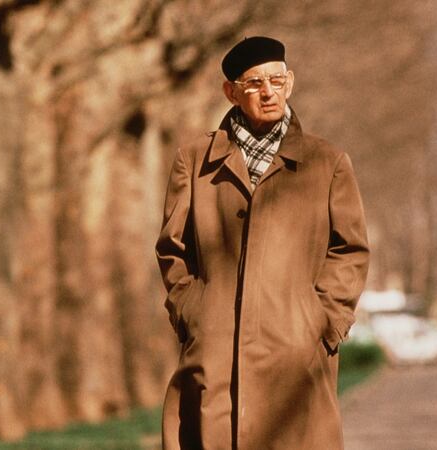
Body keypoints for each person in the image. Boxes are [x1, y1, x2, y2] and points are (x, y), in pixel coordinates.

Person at [155, 36, 370, 449]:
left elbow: (350, 250)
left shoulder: (327, 163)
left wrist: (323, 322)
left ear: (290, 83)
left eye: (276, 80)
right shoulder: (195, 159)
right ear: (231, 93)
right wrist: (192, 312)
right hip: (214, 354)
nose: (268, 92)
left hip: (297, 355)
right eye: (254, 84)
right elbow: (172, 248)